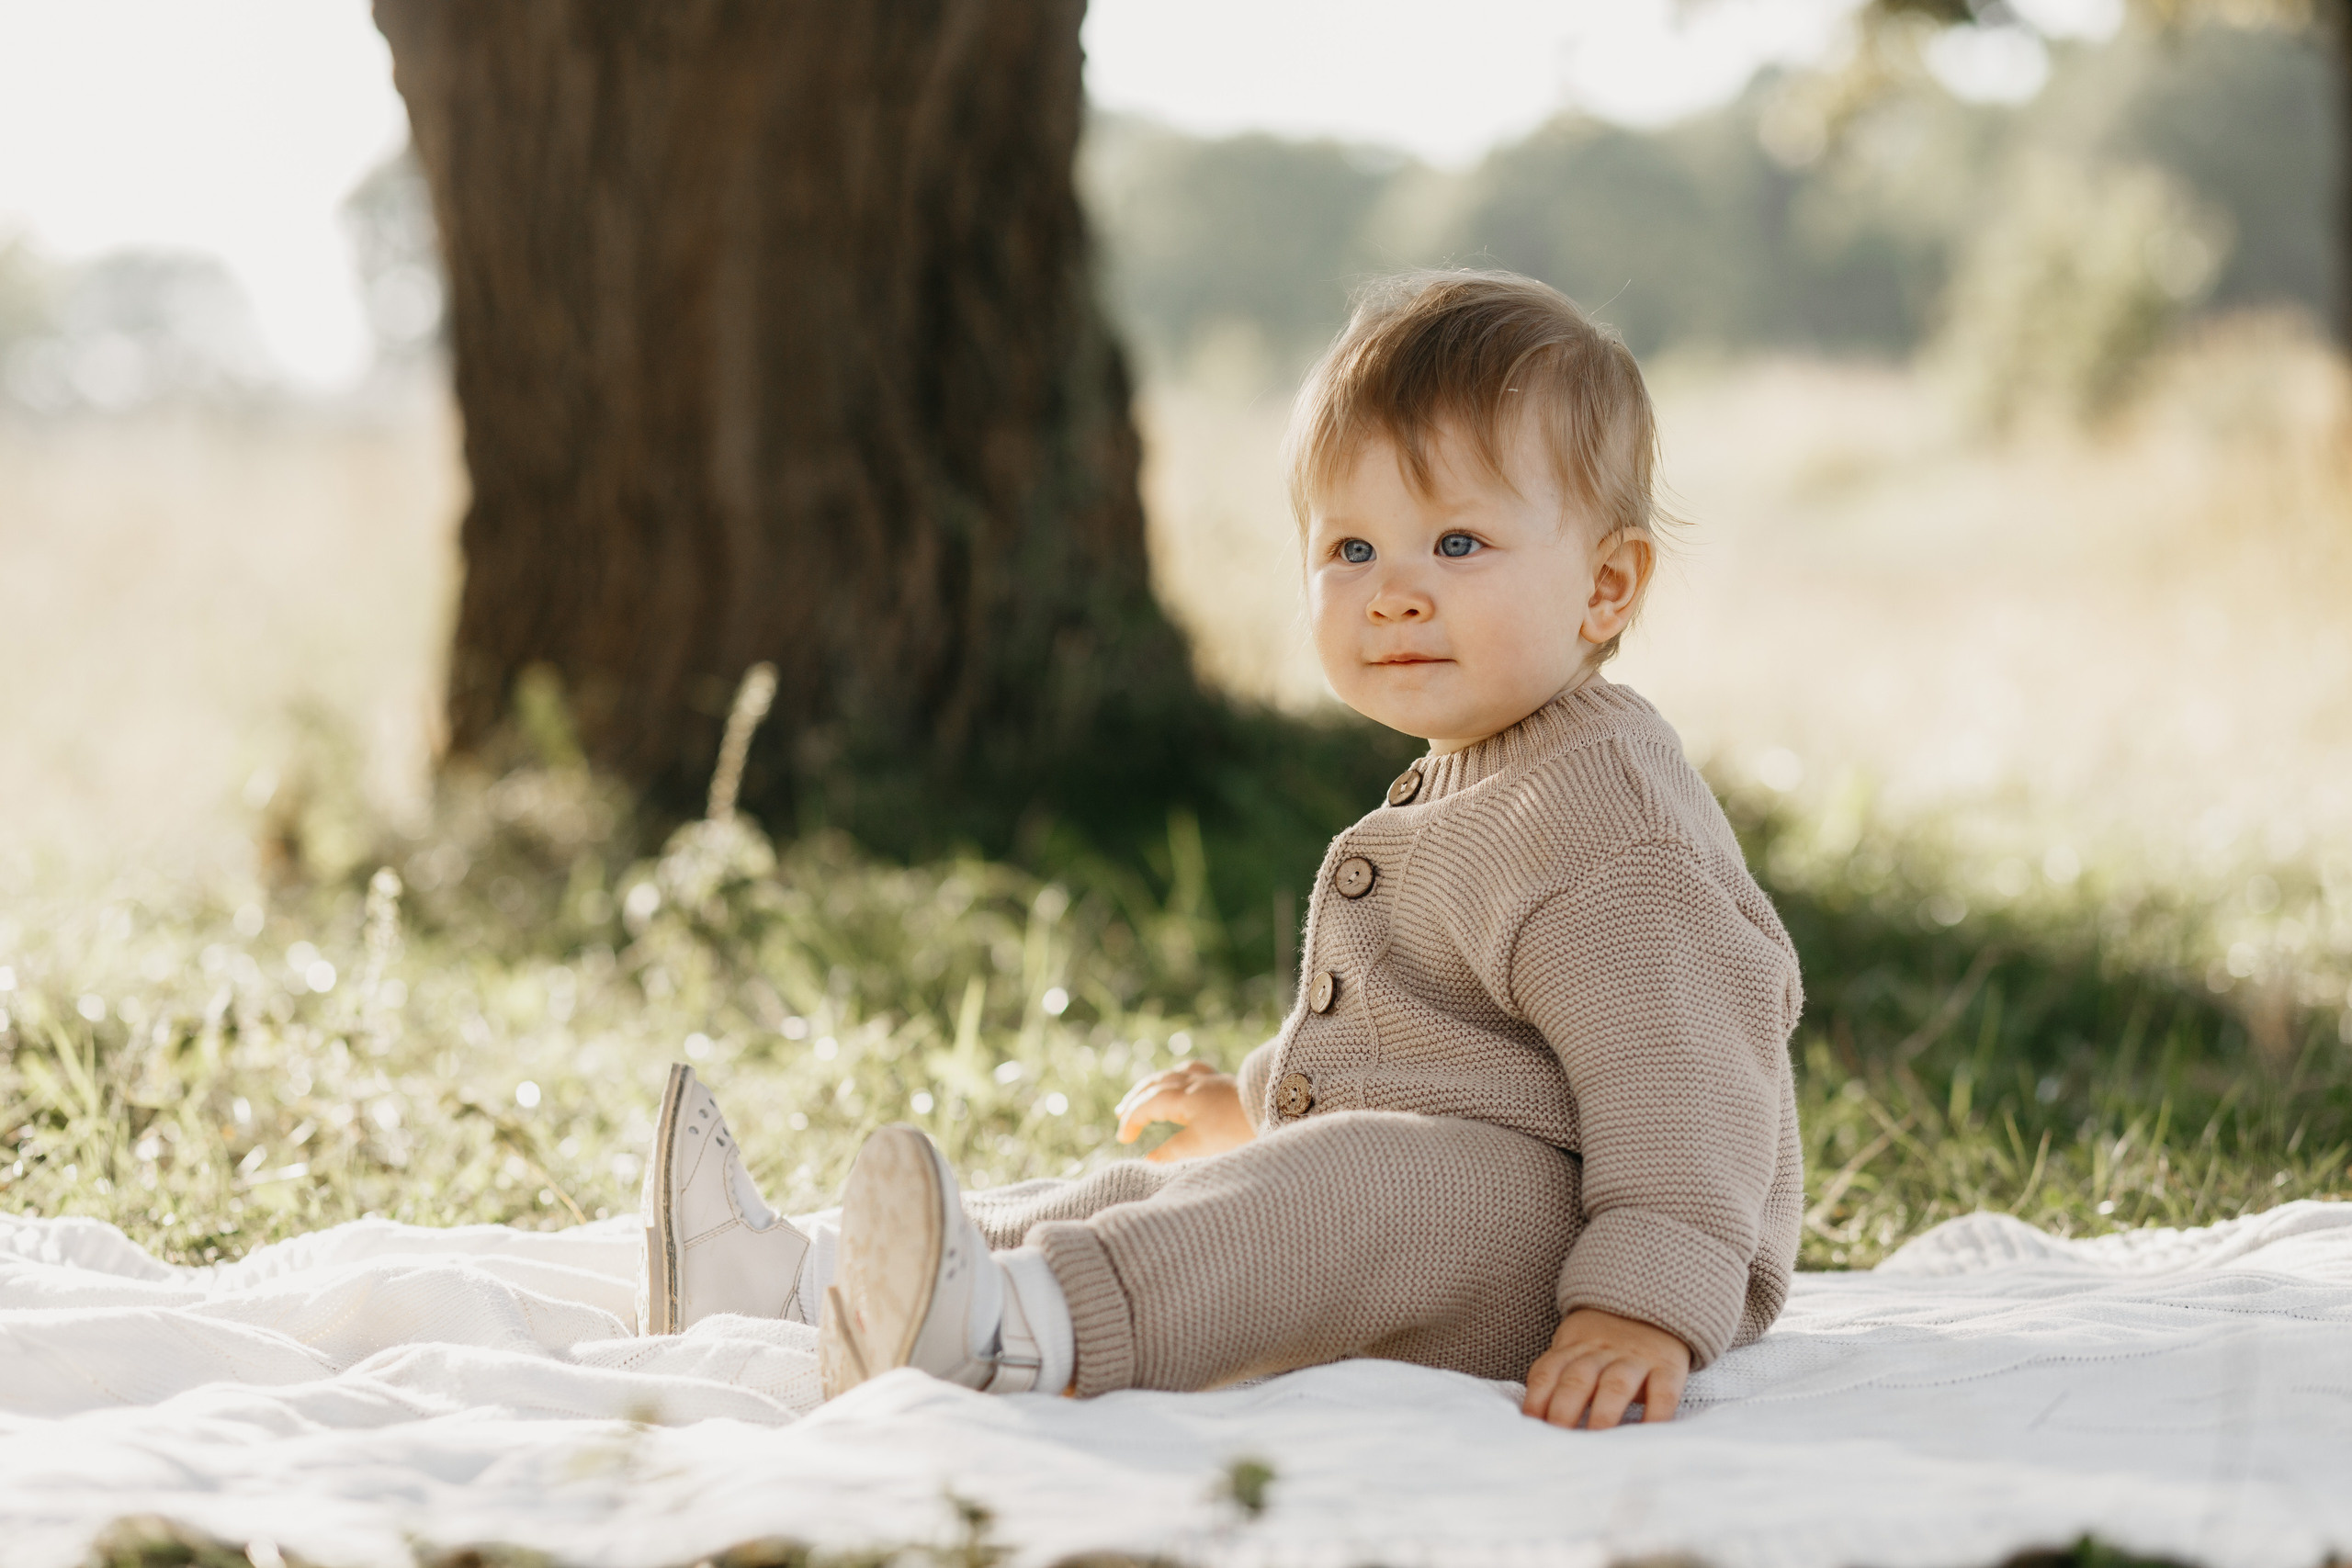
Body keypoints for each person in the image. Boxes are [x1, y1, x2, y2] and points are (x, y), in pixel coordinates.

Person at [638, 269, 1804, 1430]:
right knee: (1172, 1194)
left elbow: (1690, 1082)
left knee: (1341, 1189)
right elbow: (1435, 1037)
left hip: (1563, 1236)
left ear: (1606, 585)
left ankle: (1016, 1330)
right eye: (1351, 550)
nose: (1392, 594)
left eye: (1455, 542)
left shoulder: (1608, 821)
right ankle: (810, 1278)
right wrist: (1259, 1104)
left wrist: (1645, 1304)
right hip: (1445, 1193)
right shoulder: (1488, 763)